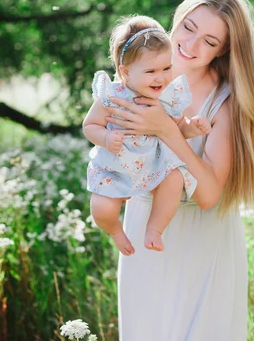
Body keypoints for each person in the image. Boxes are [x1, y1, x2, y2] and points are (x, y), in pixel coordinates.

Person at [110, 0, 254, 339]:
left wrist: (168, 131)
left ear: (223, 50)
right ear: (176, 19)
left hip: (203, 238)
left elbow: (208, 196)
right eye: (188, 28)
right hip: (145, 230)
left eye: (208, 41)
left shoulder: (226, 102)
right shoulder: (139, 73)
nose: (189, 45)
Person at [83, 15, 212, 256]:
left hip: (152, 164)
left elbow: (177, 128)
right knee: (101, 209)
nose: (161, 77)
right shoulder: (112, 96)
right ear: (126, 72)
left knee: (174, 179)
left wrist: (191, 127)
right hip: (115, 166)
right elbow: (90, 125)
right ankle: (114, 230)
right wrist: (106, 138)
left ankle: (154, 229)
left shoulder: (167, 97)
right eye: (151, 71)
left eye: (166, 68)